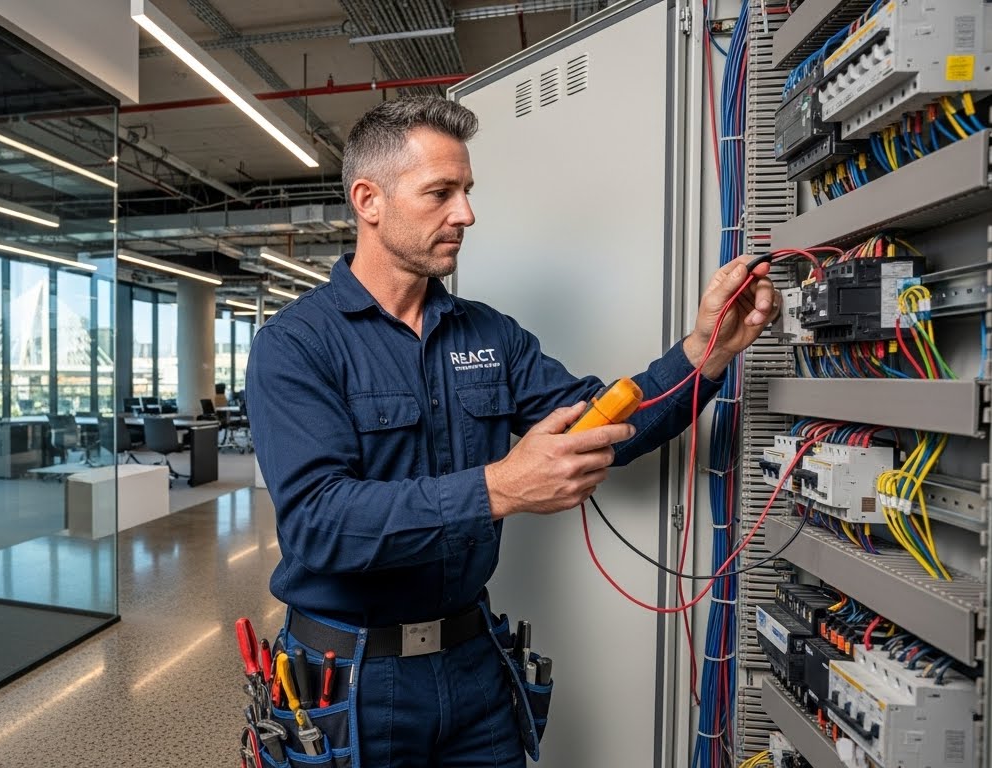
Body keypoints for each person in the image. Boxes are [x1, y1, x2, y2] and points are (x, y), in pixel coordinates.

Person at [245, 97, 779, 766]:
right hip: (349, 677)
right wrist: (497, 487)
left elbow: (604, 424)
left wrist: (706, 352)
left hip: (474, 665)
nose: (464, 214)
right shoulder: (295, 345)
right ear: (368, 200)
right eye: (440, 192)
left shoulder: (488, 335)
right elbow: (318, 524)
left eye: (466, 192)